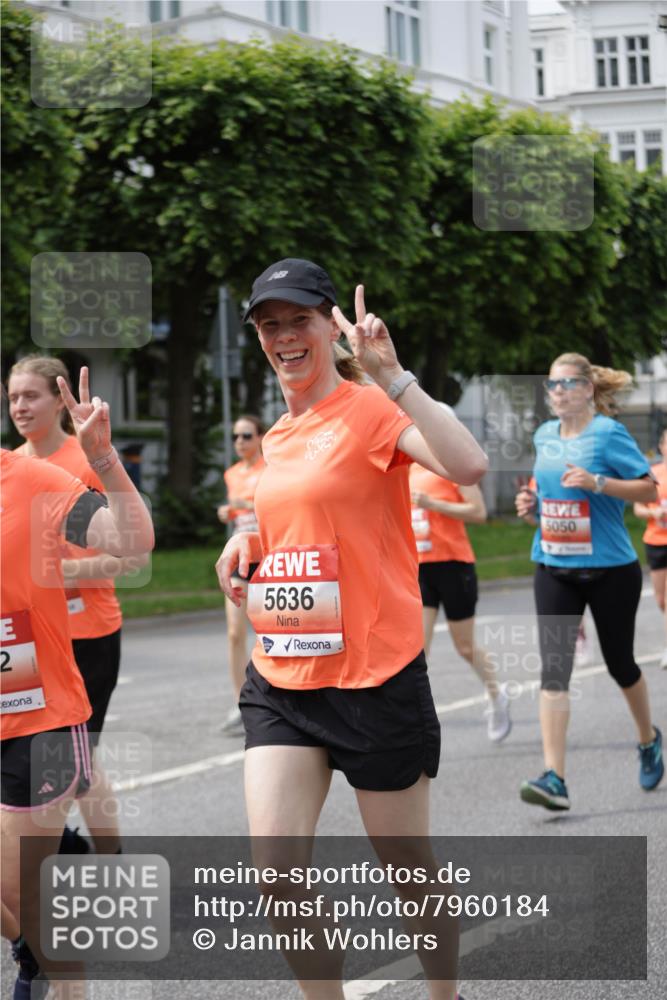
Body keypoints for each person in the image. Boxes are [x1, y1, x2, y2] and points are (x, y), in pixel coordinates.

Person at [216, 258, 487, 1000]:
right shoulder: (275, 434)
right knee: (276, 875)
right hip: (285, 678)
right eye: (269, 326)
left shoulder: (369, 409)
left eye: (297, 320)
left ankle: (444, 995)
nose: (283, 337)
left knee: (407, 871)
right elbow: (300, 521)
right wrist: (247, 542)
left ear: (328, 325)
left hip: (376, 674)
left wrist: (392, 376)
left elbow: (466, 465)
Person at [1, 367, 155, 999]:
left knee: (24, 889)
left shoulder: (36, 479)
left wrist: (105, 460)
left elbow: (134, 544)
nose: (18, 407)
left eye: (26, 395)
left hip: (38, 717)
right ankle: (32, 951)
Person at [8, 355, 147, 855]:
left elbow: (132, 559)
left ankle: (88, 852)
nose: (19, 406)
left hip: (87, 632)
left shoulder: (80, 461)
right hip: (24, 646)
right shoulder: (13, 467)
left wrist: (63, 573)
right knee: (73, 763)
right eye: (13, 397)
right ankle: (67, 846)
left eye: (31, 396)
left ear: (56, 401)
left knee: (75, 759)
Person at [515, 353, 663, 812]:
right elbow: (549, 492)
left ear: (587, 389)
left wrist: (599, 482)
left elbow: (648, 489)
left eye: (567, 384)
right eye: (552, 385)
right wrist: (531, 505)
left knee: (621, 663)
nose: (557, 392)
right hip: (554, 564)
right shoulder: (544, 434)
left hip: (609, 569)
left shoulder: (608, 434)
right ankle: (554, 777)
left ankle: (648, 739)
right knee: (554, 670)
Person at [409, 454, 511, 742]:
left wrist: (434, 504)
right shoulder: (407, 467)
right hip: (420, 567)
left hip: (454, 565)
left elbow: (478, 512)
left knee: (465, 647)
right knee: (417, 649)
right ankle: (415, 719)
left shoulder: (450, 465)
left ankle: (496, 695)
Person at [217, 415, 265, 735]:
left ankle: (272, 697)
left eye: (247, 435)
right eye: (236, 436)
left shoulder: (270, 468)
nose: (240, 442)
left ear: (260, 437)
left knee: (268, 631)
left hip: (266, 552)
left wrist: (242, 503)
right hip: (238, 555)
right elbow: (234, 510)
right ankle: (239, 701)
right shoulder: (231, 473)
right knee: (235, 633)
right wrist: (228, 510)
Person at [634, 427, 667, 669]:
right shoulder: (653, 474)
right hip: (655, 540)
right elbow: (638, 508)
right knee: (661, 599)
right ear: (662, 447)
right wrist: (654, 512)